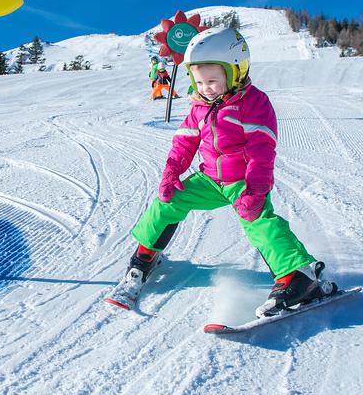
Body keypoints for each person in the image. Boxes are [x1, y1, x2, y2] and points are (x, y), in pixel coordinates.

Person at [106, 27, 336, 315]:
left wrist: (255, 189)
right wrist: (171, 174)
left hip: (244, 181)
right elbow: (183, 144)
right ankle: (145, 257)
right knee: (168, 201)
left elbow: (262, 149)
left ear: (237, 71)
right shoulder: (200, 107)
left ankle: (298, 276)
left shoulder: (253, 103)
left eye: (213, 81)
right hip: (210, 180)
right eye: (199, 81)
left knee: (258, 220)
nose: (206, 88)